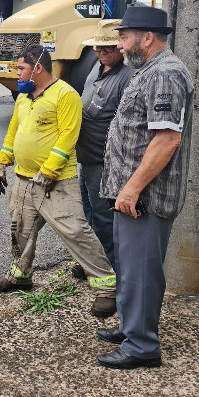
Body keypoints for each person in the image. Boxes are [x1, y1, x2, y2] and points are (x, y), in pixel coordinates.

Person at [96, 6, 194, 370]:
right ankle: (130, 326)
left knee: (141, 271)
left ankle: (142, 347)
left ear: (147, 37)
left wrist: (132, 189)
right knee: (130, 267)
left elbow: (167, 139)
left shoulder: (165, 74)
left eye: (123, 37)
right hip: (131, 195)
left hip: (145, 197)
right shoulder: (148, 71)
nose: (119, 45)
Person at [0, 44, 117, 319]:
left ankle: (108, 289)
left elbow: (68, 137)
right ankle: (20, 276)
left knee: (76, 232)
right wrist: (1, 163)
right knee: (20, 231)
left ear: (38, 68)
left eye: (21, 68)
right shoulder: (23, 97)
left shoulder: (65, 95)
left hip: (56, 182)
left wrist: (48, 171)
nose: (17, 75)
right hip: (24, 179)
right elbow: (15, 132)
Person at [72, 19, 134, 277]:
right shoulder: (97, 67)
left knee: (103, 216)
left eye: (107, 48)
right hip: (86, 158)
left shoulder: (127, 77)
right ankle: (94, 262)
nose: (100, 52)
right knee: (88, 213)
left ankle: (112, 269)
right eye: (97, 48)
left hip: (104, 162)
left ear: (121, 47)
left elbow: (127, 126)